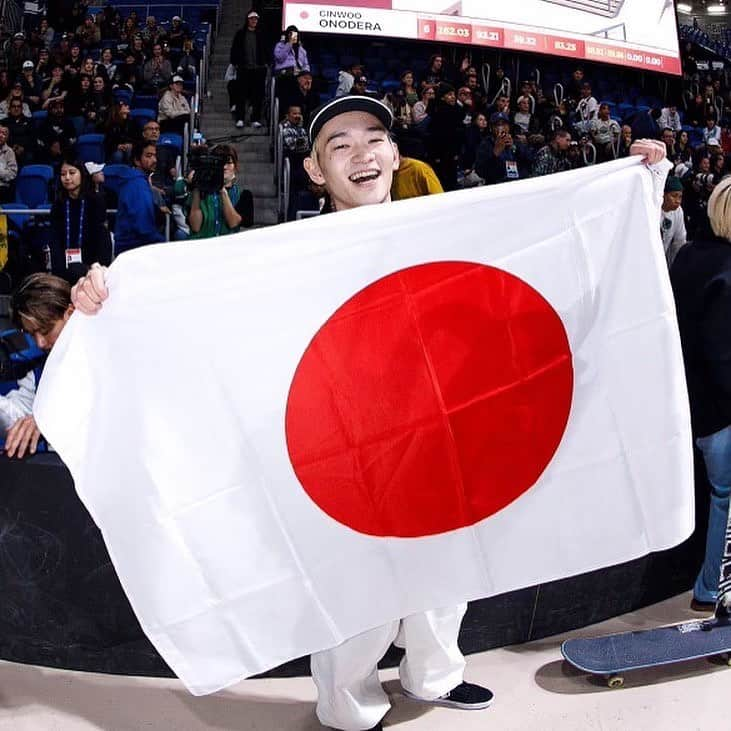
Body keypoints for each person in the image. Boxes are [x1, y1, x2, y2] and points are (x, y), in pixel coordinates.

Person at [69, 96, 666, 730]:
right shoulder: (281, 253)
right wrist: (112, 298)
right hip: (342, 450)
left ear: (396, 154)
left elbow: (552, 252)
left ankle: (434, 675)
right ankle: (348, 702)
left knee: (446, 572)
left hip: (437, 437)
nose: (362, 153)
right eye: (340, 144)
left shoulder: (448, 228)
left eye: (374, 138)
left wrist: (636, 184)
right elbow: (197, 322)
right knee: (355, 588)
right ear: (314, 170)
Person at [670, 176, 731, 613]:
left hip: (683, 401)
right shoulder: (728, 270)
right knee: (725, 497)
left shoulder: (689, 255)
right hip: (720, 410)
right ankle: (713, 589)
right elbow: (723, 354)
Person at [3, 273, 74, 459]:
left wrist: (48, 420)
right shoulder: (41, 366)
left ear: (70, 313)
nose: (40, 343)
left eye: (46, 330)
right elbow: (19, 413)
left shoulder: (104, 356)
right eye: (32, 334)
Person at [49, 157, 112, 281]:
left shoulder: (95, 201)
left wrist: (94, 269)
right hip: (64, 267)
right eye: (63, 174)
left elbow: (101, 236)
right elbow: (55, 238)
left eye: (72, 173)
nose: (67, 178)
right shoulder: (58, 204)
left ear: (82, 174)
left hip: (91, 268)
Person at [182, 144, 253, 239]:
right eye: (220, 163)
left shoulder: (244, 195)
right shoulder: (200, 191)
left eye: (228, 163)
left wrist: (221, 189)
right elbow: (195, 227)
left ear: (235, 167)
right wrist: (197, 187)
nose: (224, 167)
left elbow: (233, 223)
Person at [114, 140, 165, 254]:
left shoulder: (136, 180)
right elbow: (143, 225)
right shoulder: (137, 184)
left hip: (132, 248)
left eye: (155, 156)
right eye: (149, 156)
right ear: (137, 160)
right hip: (134, 249)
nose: (154, 160)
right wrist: (160, 242)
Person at [230, 10, 267, 129]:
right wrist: (235, 62)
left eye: (256, 19)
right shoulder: (240, 33)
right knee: (241, 95)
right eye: (252, 19)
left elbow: (266, 51)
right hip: (244, 69)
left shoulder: (261, 34)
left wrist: (265, 63)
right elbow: (234, 49)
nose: (254, 21)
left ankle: (255, 119)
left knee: (258, 96)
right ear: (248, 20)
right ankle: (240, 118)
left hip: (258, 69)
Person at [660, 175, 687, 267]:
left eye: (680, 197)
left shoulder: (678, 211)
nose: (678, 201)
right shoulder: (653, 210)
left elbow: (680, 240)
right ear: (663, 194)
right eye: (674, 196)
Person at [0, 125, 18, 202]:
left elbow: (12, 173)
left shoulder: (10, 152)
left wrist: (0, 173)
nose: (1, 135)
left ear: (7, 137)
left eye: (4, 134)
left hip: (2, 187)